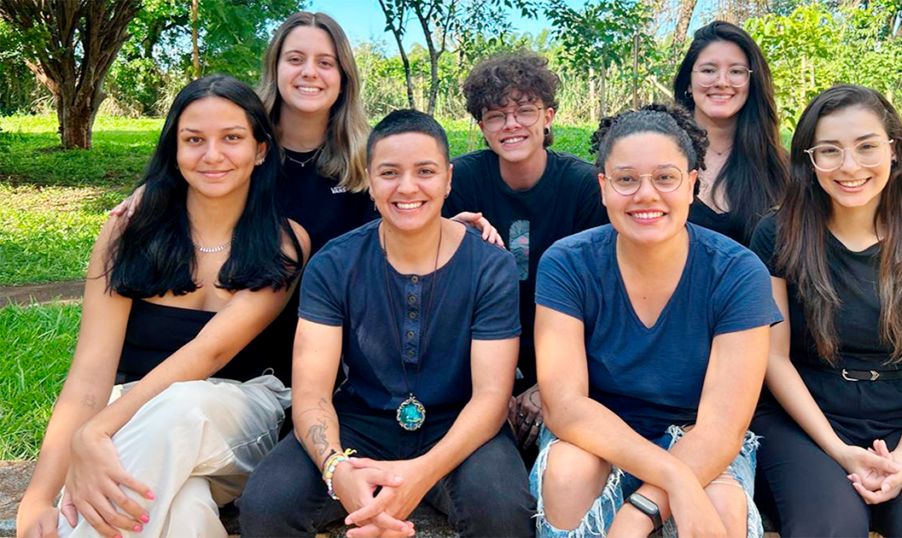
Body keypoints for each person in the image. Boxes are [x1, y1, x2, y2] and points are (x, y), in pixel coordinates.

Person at [112, 11, 498, 384]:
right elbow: (194, 169)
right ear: (275, 68)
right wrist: (159, 190)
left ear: (344, 77)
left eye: (325, 62)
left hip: (332, 346)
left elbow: (402, 222)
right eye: (295, 59)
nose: (309, 72)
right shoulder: (239, 149)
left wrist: (446, 228)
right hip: (235, 342)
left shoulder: (367, 163)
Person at [15, 74, 310, 538]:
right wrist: (36, 496)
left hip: (239, 422)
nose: (212, 155)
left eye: (232, 138)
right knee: (185, 515)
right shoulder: (128, 231)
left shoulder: (283, 242)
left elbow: (207, 355)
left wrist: (93, 435)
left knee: (181, 404)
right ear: (174, 148)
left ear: (260, 150)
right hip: (138, 423)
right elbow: (90, 374)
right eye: (194, 140)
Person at [237, 109, 534, 538]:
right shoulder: (335, 264)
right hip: (360, 421)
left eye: (425, 171)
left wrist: (419, 475)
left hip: (459, 427)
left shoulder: (491, 267)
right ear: (370, 180)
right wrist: (337, 469)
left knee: (502, 512)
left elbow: (490, 398)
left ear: (448, 179)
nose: (407, 187)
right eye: (390, 172)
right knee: (266, 505)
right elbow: (311, 391)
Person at [530, 104, 782, 538]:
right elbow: (564, 406)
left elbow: (723, 426)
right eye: (627, 180)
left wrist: (641, 509)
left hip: (698, 435)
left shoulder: (737, 272)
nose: (646, 195)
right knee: (569, 473)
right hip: (599, 433)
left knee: (721, 504)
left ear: (691, 185)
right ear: (604, 188)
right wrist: (677, 480)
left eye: (665, 177)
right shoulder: (568, 263)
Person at [749, 84, 902, 537]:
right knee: (829, 528)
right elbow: (772, 357)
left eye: (867, 147)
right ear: (809, 159)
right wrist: (838, 449)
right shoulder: (777, 234)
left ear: (894, 151)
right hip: (803, 415)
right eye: (830, 151)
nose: (850, 166)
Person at [447, 50, 608, 450]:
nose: (511, 124)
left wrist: (550, 385)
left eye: (525, 111)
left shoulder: (583, 187)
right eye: (497, 115)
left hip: (564, 352)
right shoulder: (460, 181)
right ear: (482, 126)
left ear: (549, 117)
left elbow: (602, 296)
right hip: (480, 352)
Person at [673, 21, 788, 245]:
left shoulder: (782, 170)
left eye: (736, 71)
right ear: (688, 81)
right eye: (708, 70)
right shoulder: (658, 155)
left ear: (752, 83)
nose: (722, 82)